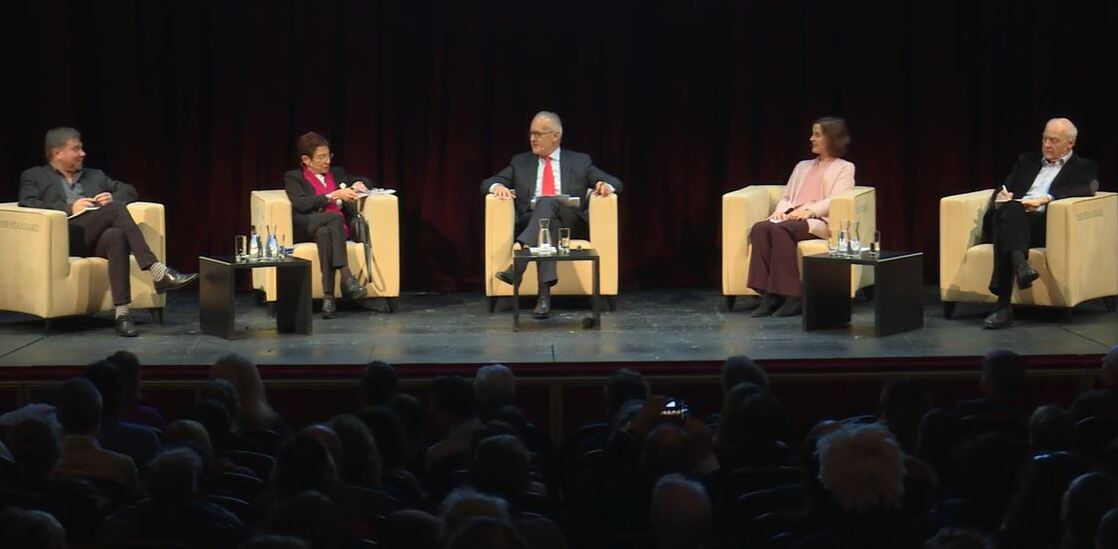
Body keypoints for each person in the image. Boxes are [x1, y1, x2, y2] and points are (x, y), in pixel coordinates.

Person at [18, 127, 197, 336]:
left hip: (94, 237)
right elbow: (28, 203)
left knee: (116, 236)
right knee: (114, 211)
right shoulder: (34, 176)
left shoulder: (95, 176)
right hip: (63, 237)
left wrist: (114, 198)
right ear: (58, 153)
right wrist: (69, 208)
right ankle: (157, 270)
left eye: (82, 148)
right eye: (76, 149)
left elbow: (129, 190)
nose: (82, 153)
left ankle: (122, 314)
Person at [482, 111, 623, 319]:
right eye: (531, 133)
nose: (533, 138)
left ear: (556, 136)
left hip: (570, 222)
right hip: (534, 222)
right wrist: (498, 187)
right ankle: (543, 299)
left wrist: (604, 186)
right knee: (548, 223)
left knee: (548, 202)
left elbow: (616, 182)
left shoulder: (580, 161)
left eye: (539, 134)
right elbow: (487, 182)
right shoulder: (520, 162)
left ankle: (519, 262)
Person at [981, 118, 1099, 329]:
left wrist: (1047, 198)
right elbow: (1004, 188)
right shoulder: (1026, 160)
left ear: (1070, 143)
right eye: (1044, 138)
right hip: (1014, 218)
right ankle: (1021, 266)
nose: (1046, 145)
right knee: (1011, 211)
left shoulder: (1083, 167)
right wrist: (1000, 198)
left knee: (1007, 223)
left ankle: (1003, 306)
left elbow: (1089, 188)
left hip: (1045, 225)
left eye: (1054, 140)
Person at [747, 117, 855, 317]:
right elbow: (787, 196)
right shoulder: (802, 166)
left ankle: (792, 295)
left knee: (781, 230)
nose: (811, 138)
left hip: (818, 220)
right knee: (760, 228)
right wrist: (781, 210)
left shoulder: (844, 168)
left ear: (831, 138)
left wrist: (810, 212)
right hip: (792, 217)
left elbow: (837, 199)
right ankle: (769, 295)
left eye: (817, 134)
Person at [284, 131, 371, 319]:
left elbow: (366, 180)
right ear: (306, 159)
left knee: (326, 232)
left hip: (334, 231)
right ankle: (346, 275)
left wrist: (357, 184)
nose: (327, 161)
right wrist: (333, 196)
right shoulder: (294, 177)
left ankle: (328, 298)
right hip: (308, 225)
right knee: (334, 218)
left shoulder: (337, 173)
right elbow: (302, 204)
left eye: (328, 155)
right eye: (321, 157)